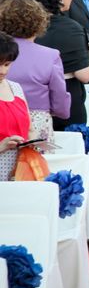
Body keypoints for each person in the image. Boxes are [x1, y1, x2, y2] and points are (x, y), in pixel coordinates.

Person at [0, 0, 70, 141]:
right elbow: (59, 98)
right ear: (39, 23)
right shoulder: (50, 56)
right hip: (37, 123)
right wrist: (61, 112)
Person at [34, 0, 89, 129]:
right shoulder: (72, 28)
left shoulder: (28, 25)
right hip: (67, 102)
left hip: (34, 101)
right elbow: (84, 75)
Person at [0, 32, 32, 181]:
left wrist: (32, 142)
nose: (3, 71)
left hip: (20, 170)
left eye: (7, 64)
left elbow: (30, 128)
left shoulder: (15, 88)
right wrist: (2, 146)